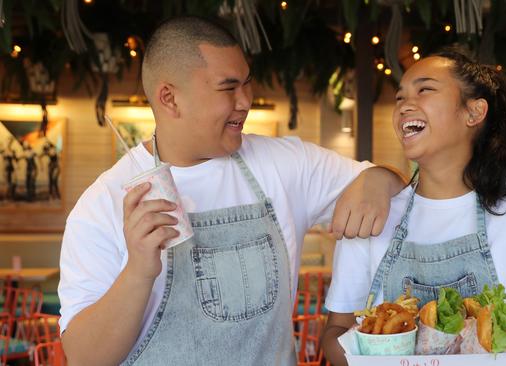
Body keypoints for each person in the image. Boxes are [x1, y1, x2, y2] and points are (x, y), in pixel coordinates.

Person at [58, 16, 404, 366]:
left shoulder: (283, 165)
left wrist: (377, 177)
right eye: (228, 88)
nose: (245, 101)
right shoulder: (102, 203)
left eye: (247, 84)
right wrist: (138, 271)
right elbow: (84, 358)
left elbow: (394, 186)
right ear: (169, 98)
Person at [322, 52, 506, 366]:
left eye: (424, 90)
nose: (403, 104)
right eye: (400, 96)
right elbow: (337, 329)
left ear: (474, 111)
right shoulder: (372, 211)